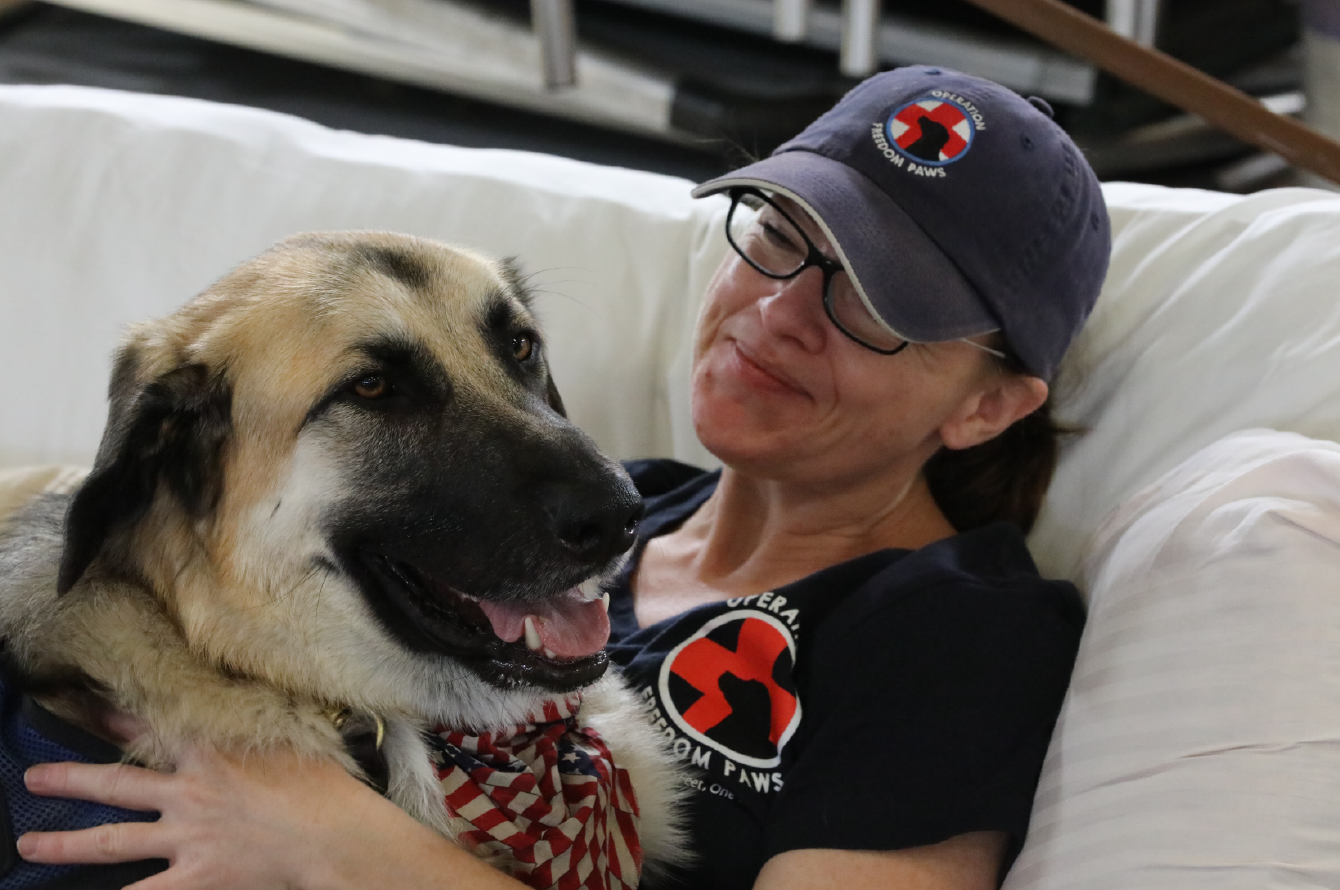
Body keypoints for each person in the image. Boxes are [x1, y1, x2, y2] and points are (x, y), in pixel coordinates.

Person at [16, 65, 1109, 890]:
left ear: (987, 403)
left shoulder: (950, 630)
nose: (774, 313)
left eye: (874, 299)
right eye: (780, 233)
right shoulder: (611, 501)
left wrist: (332, 839)